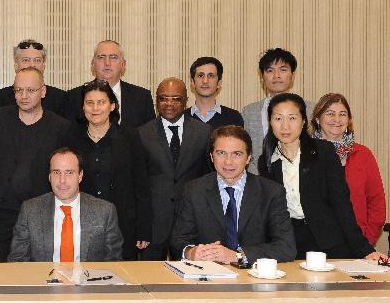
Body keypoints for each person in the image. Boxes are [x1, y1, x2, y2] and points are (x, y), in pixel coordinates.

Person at [257, 93, 384, 260]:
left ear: (303, 121)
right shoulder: (266, 161)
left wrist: (365, 250)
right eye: (278, 119)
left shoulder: (323, 151)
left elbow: (342, 204)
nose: (285, 126)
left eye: (292, 118)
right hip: (290, 245)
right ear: (270, 122)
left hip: (331, 242)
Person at [0, 67, 72, 262]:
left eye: (30, 90)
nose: (23, 96)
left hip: (43, 212)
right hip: (0, 211)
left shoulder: (60, 127)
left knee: (40, 272)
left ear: (43, 91)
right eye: (18, 90)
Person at [172, 125, 296, 264]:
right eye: (221, 153)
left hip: (254, 277)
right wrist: (191, 252)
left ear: (248, 158)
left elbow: (286, 247)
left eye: (237, 154)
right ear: (212, 157)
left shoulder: (271, 192)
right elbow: (178, 241)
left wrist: (237, 256)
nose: (228, 162)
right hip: (207, 277)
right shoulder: (194, 190)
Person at [69, 79, 151, 260]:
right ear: (83, 107)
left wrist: (143, 229)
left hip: (123, 224)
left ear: (112, 106)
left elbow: (141, 184)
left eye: (101, 102)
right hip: (81, 222)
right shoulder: (71, 138)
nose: (95, 108)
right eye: (89, 103)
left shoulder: (130, 137)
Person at [138, 78, 211, 260]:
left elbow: (208, 179)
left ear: (186, 100)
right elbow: (138, 185)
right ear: (156, 101)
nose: (169, 104)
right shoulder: (141, 133)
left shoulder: (203, 132)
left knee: (191, 282)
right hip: (154, 225)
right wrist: (141, 227)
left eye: (176, 99)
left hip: (191, 222)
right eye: (163, 98)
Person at [8, 147, 124, 262]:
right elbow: (18, 262)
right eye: (56, 172)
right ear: (49, 176)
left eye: (69, 172)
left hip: (88, 280)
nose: (62, 180)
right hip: (43, 279)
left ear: (80, 176)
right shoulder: (30, 210)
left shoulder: (105, 211)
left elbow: (113, 263)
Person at [310, 93, 386, 246]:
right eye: (330, 113)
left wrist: (366, 240)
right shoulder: (306, 154)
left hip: (356, 243)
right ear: (318, 119)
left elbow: (376, 202)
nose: (336, 119)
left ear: (348, 120)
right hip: (314, 246)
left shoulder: (363, 154)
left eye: (342, 114)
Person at [241, 48, 313, 173]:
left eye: (283, 70)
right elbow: (246, 153)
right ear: (262, 77)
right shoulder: (249, 112)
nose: (277, 75)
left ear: (293, 75)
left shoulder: (311, 110)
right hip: (261, 182)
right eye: (270, 70)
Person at [64, 40, 154, 127]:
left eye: (113, 57)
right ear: (93, 64)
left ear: (123, 64)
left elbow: (149, 136)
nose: (107, 63)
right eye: (101, 57)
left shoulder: (142, 97)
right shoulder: (73, 97)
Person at [0, 40, 66, 116]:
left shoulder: (61, 98)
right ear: (16, 65)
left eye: (37, 60)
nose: (32, 65)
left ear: (43, 66)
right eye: (26, 60)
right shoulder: (0, 98)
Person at [184, 56, 244, 129]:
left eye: (211, 76)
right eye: (200, 75)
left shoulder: (234, 117)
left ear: (219, 83)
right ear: (193, 82)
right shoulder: (181, 118)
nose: (205, 81)